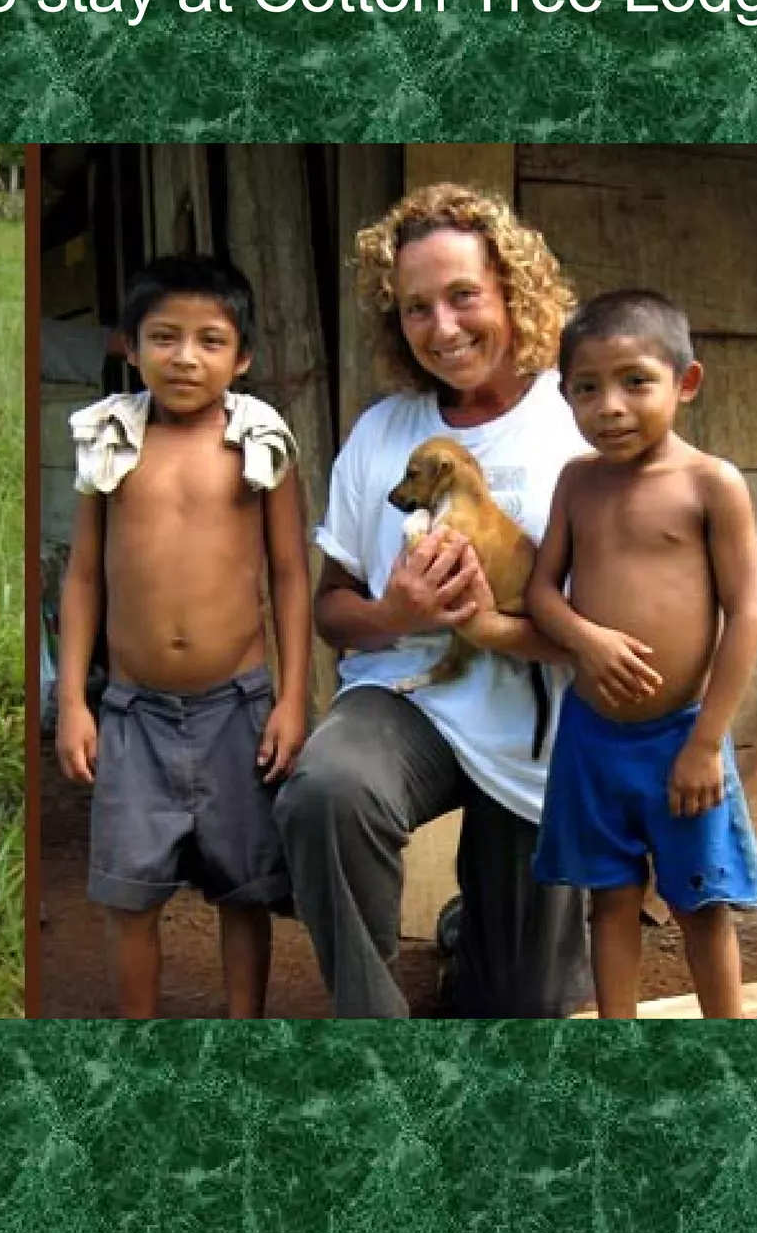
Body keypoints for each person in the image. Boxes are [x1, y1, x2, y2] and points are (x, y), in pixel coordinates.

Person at [273, 183, 592, 1019]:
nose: (443, 329)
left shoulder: (579, 421)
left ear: (512, 293)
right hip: (409, 698)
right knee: (328, 789)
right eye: (417, 309)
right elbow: (330, 607)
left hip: (541, 713)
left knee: (525, 1003)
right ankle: (373, 1021)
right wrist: (396, 616)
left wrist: (495, 625)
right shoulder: (383, 433)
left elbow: (622, 618)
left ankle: (472, 939)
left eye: (463, 297)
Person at [54, 256, 311, 1018]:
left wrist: (293, 699)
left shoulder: (258, 441)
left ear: (243, 357)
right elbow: (84, 579)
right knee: (129, 898)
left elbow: (291, 575)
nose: (186, 357)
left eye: (210, 339)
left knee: (244, 890)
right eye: (163, 337)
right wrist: (72, 700)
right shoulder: (110, 441)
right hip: (133, 712)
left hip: (239, 708)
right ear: (130, 349)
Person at [526, 291, 757, 1019]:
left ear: (685, 382)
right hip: (593, 738)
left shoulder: (711, 484)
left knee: (702, 907)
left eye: (636, 381)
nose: (611, 406)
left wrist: (705, 743)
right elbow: (542, 591)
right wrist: (586, 638)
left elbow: (748, 615)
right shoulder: (577, 482)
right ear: (565, 395)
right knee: (611, 901)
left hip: (680, 740)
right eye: (586, 388)